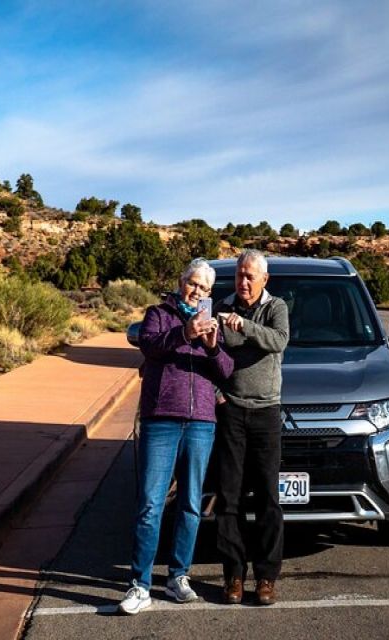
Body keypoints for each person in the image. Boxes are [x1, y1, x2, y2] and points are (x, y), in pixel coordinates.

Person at [118, 258, 234, 615]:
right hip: (161, 420)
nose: (196, 291)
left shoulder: (213, 323)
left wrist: (213, 346)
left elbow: (227, 371)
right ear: (181, 281)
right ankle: (139, 584)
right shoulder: (158, 314)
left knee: (191, 504)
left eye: (204, 288)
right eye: (192, 283)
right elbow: (150, 346)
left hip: (201, 422)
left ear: (210, 294)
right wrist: (185, 333)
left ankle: (178, 576)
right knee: (151, 504)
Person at [215, 249, 289, 606]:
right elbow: (209, 353)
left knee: (267, 498)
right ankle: (232, 576)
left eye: (250, 277)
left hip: (266, 413)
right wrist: (216, 390)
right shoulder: (221, 305)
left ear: (264, 280)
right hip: (232, 411)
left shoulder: (276, 308)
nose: (243, 282)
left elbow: (278, 340)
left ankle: (266, 577)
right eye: (239, 275)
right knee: (228, 498)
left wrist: (243, 325)